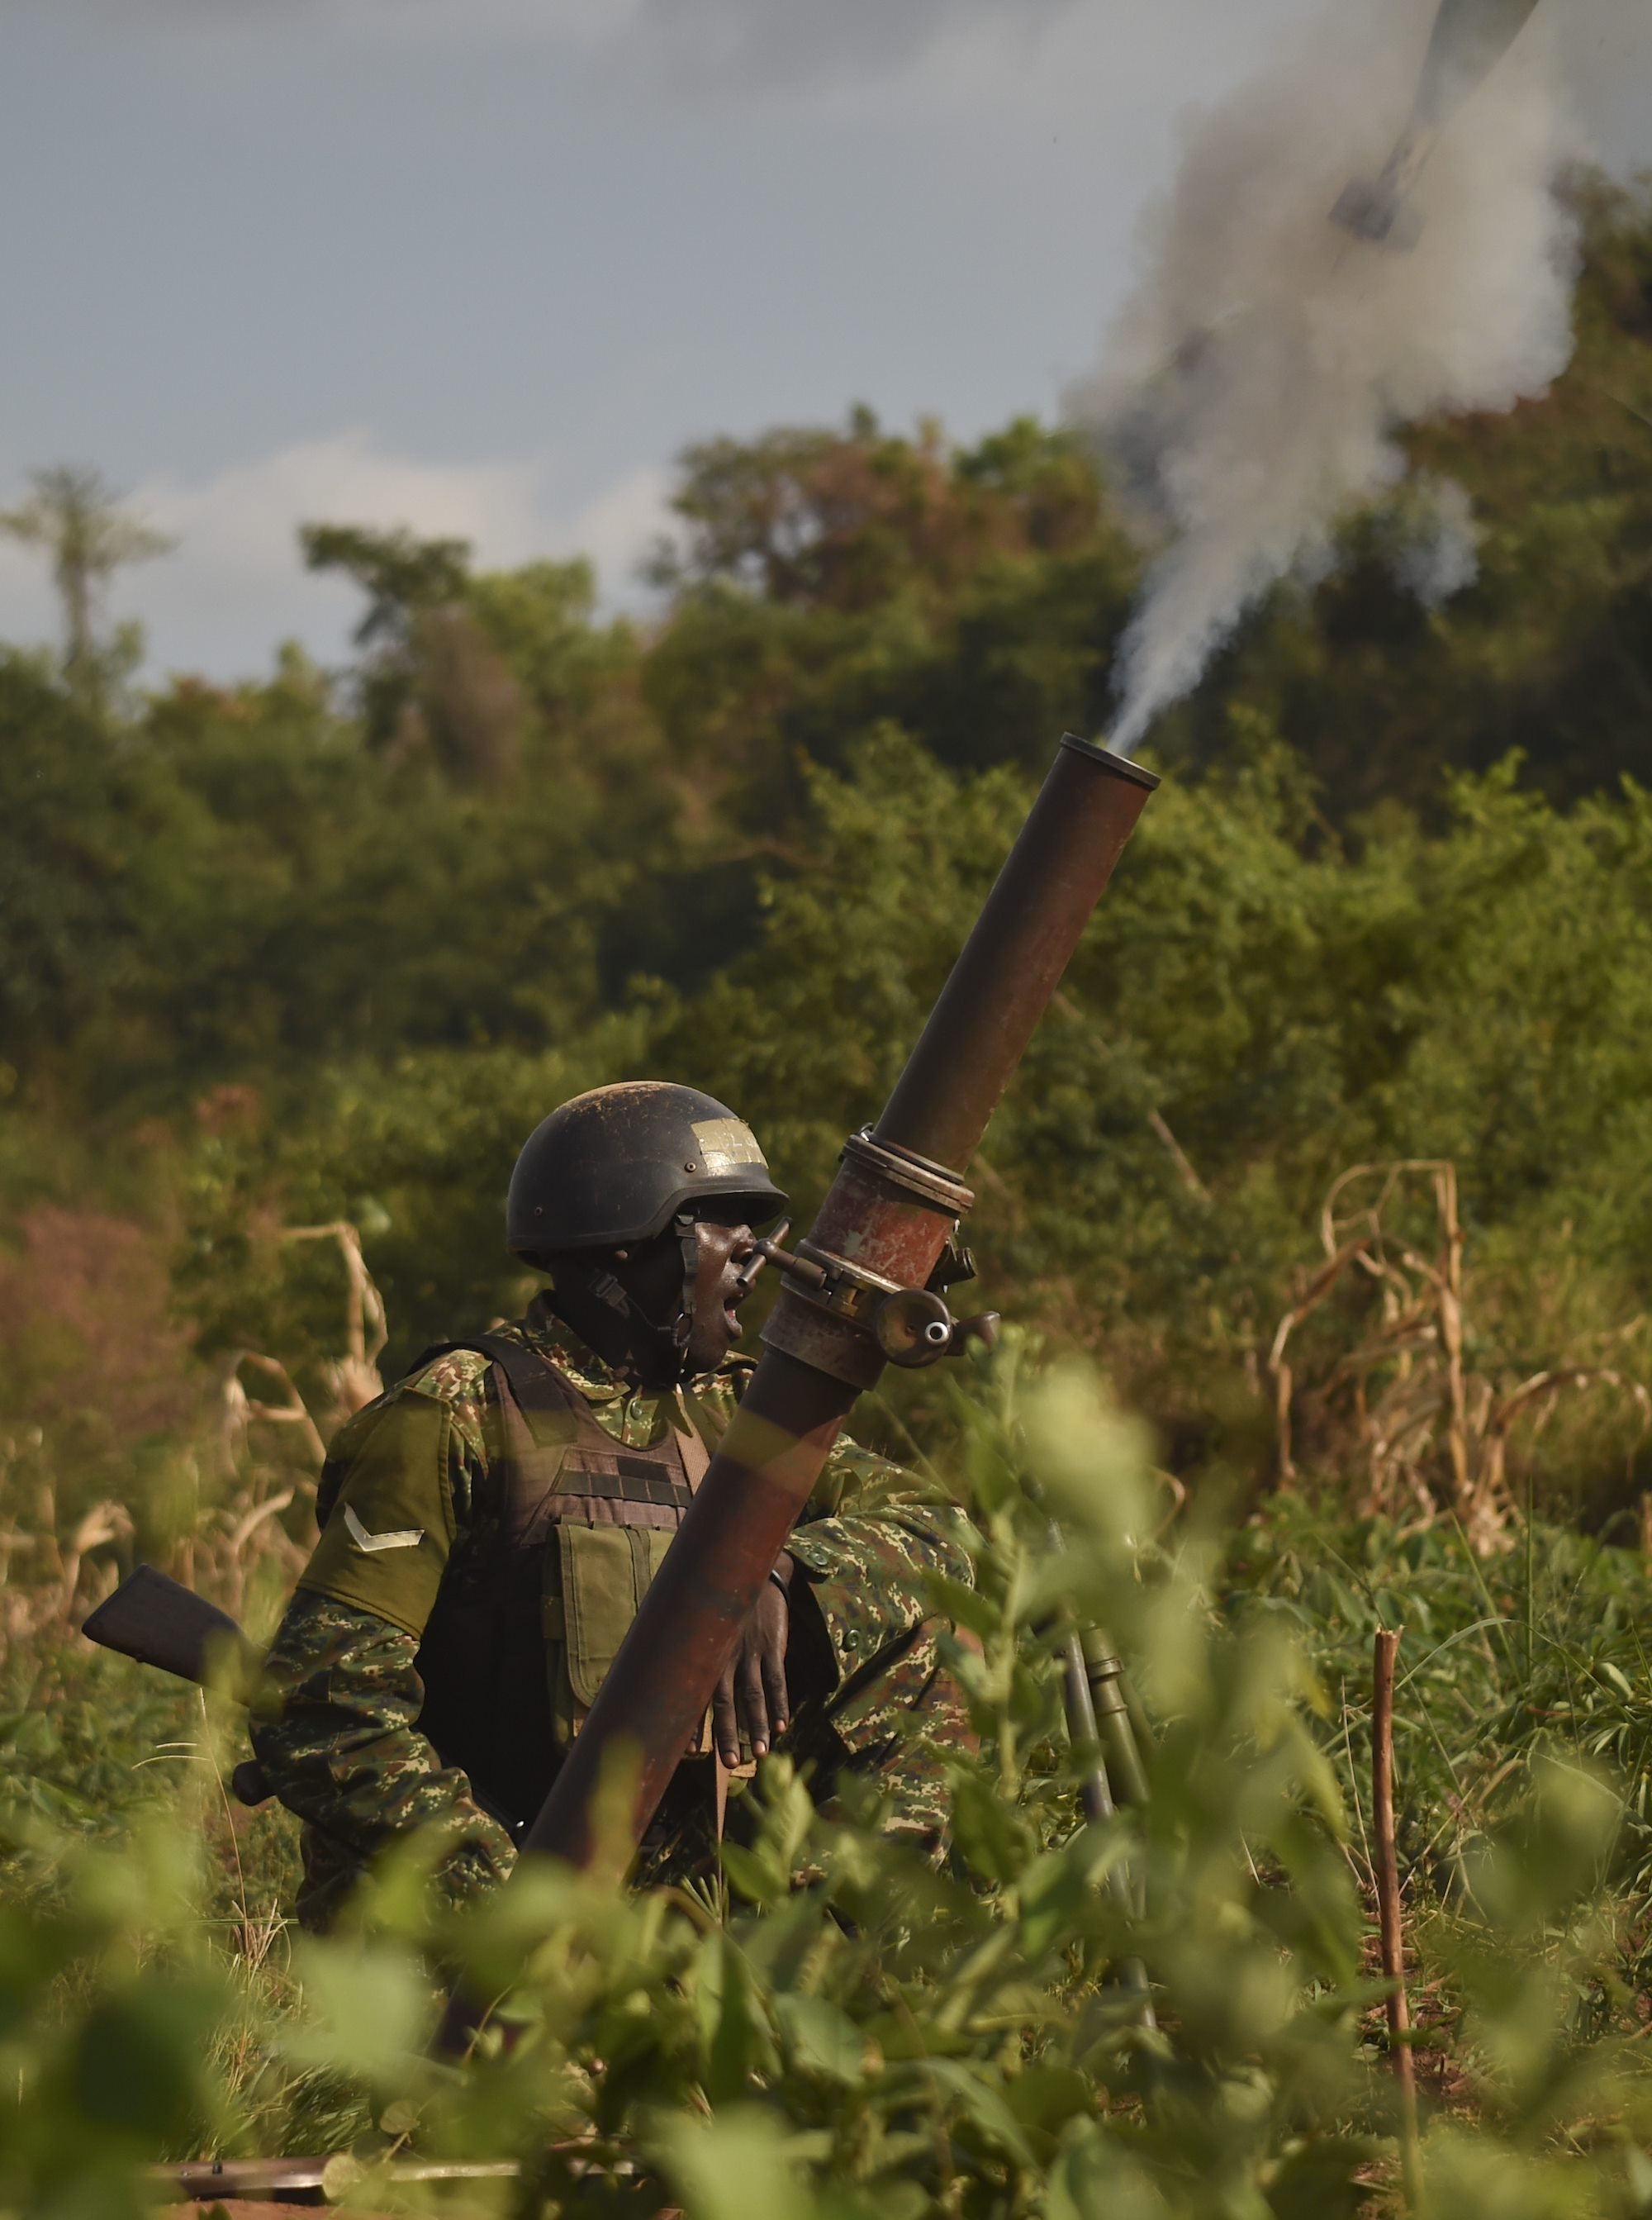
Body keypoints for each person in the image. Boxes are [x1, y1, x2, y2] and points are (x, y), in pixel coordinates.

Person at [251, 1081, 977, 1929]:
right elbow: (321, 1701)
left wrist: (779, 1575)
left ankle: (822, 1966)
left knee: (935, 1644)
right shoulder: (459, 1413)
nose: (755, 1253)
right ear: (629, 1244)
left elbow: (945, 1537)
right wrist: (510, 1906)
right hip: (477, 1930)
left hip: (670, 1918)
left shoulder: (733, 1414)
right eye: (722, 1222)